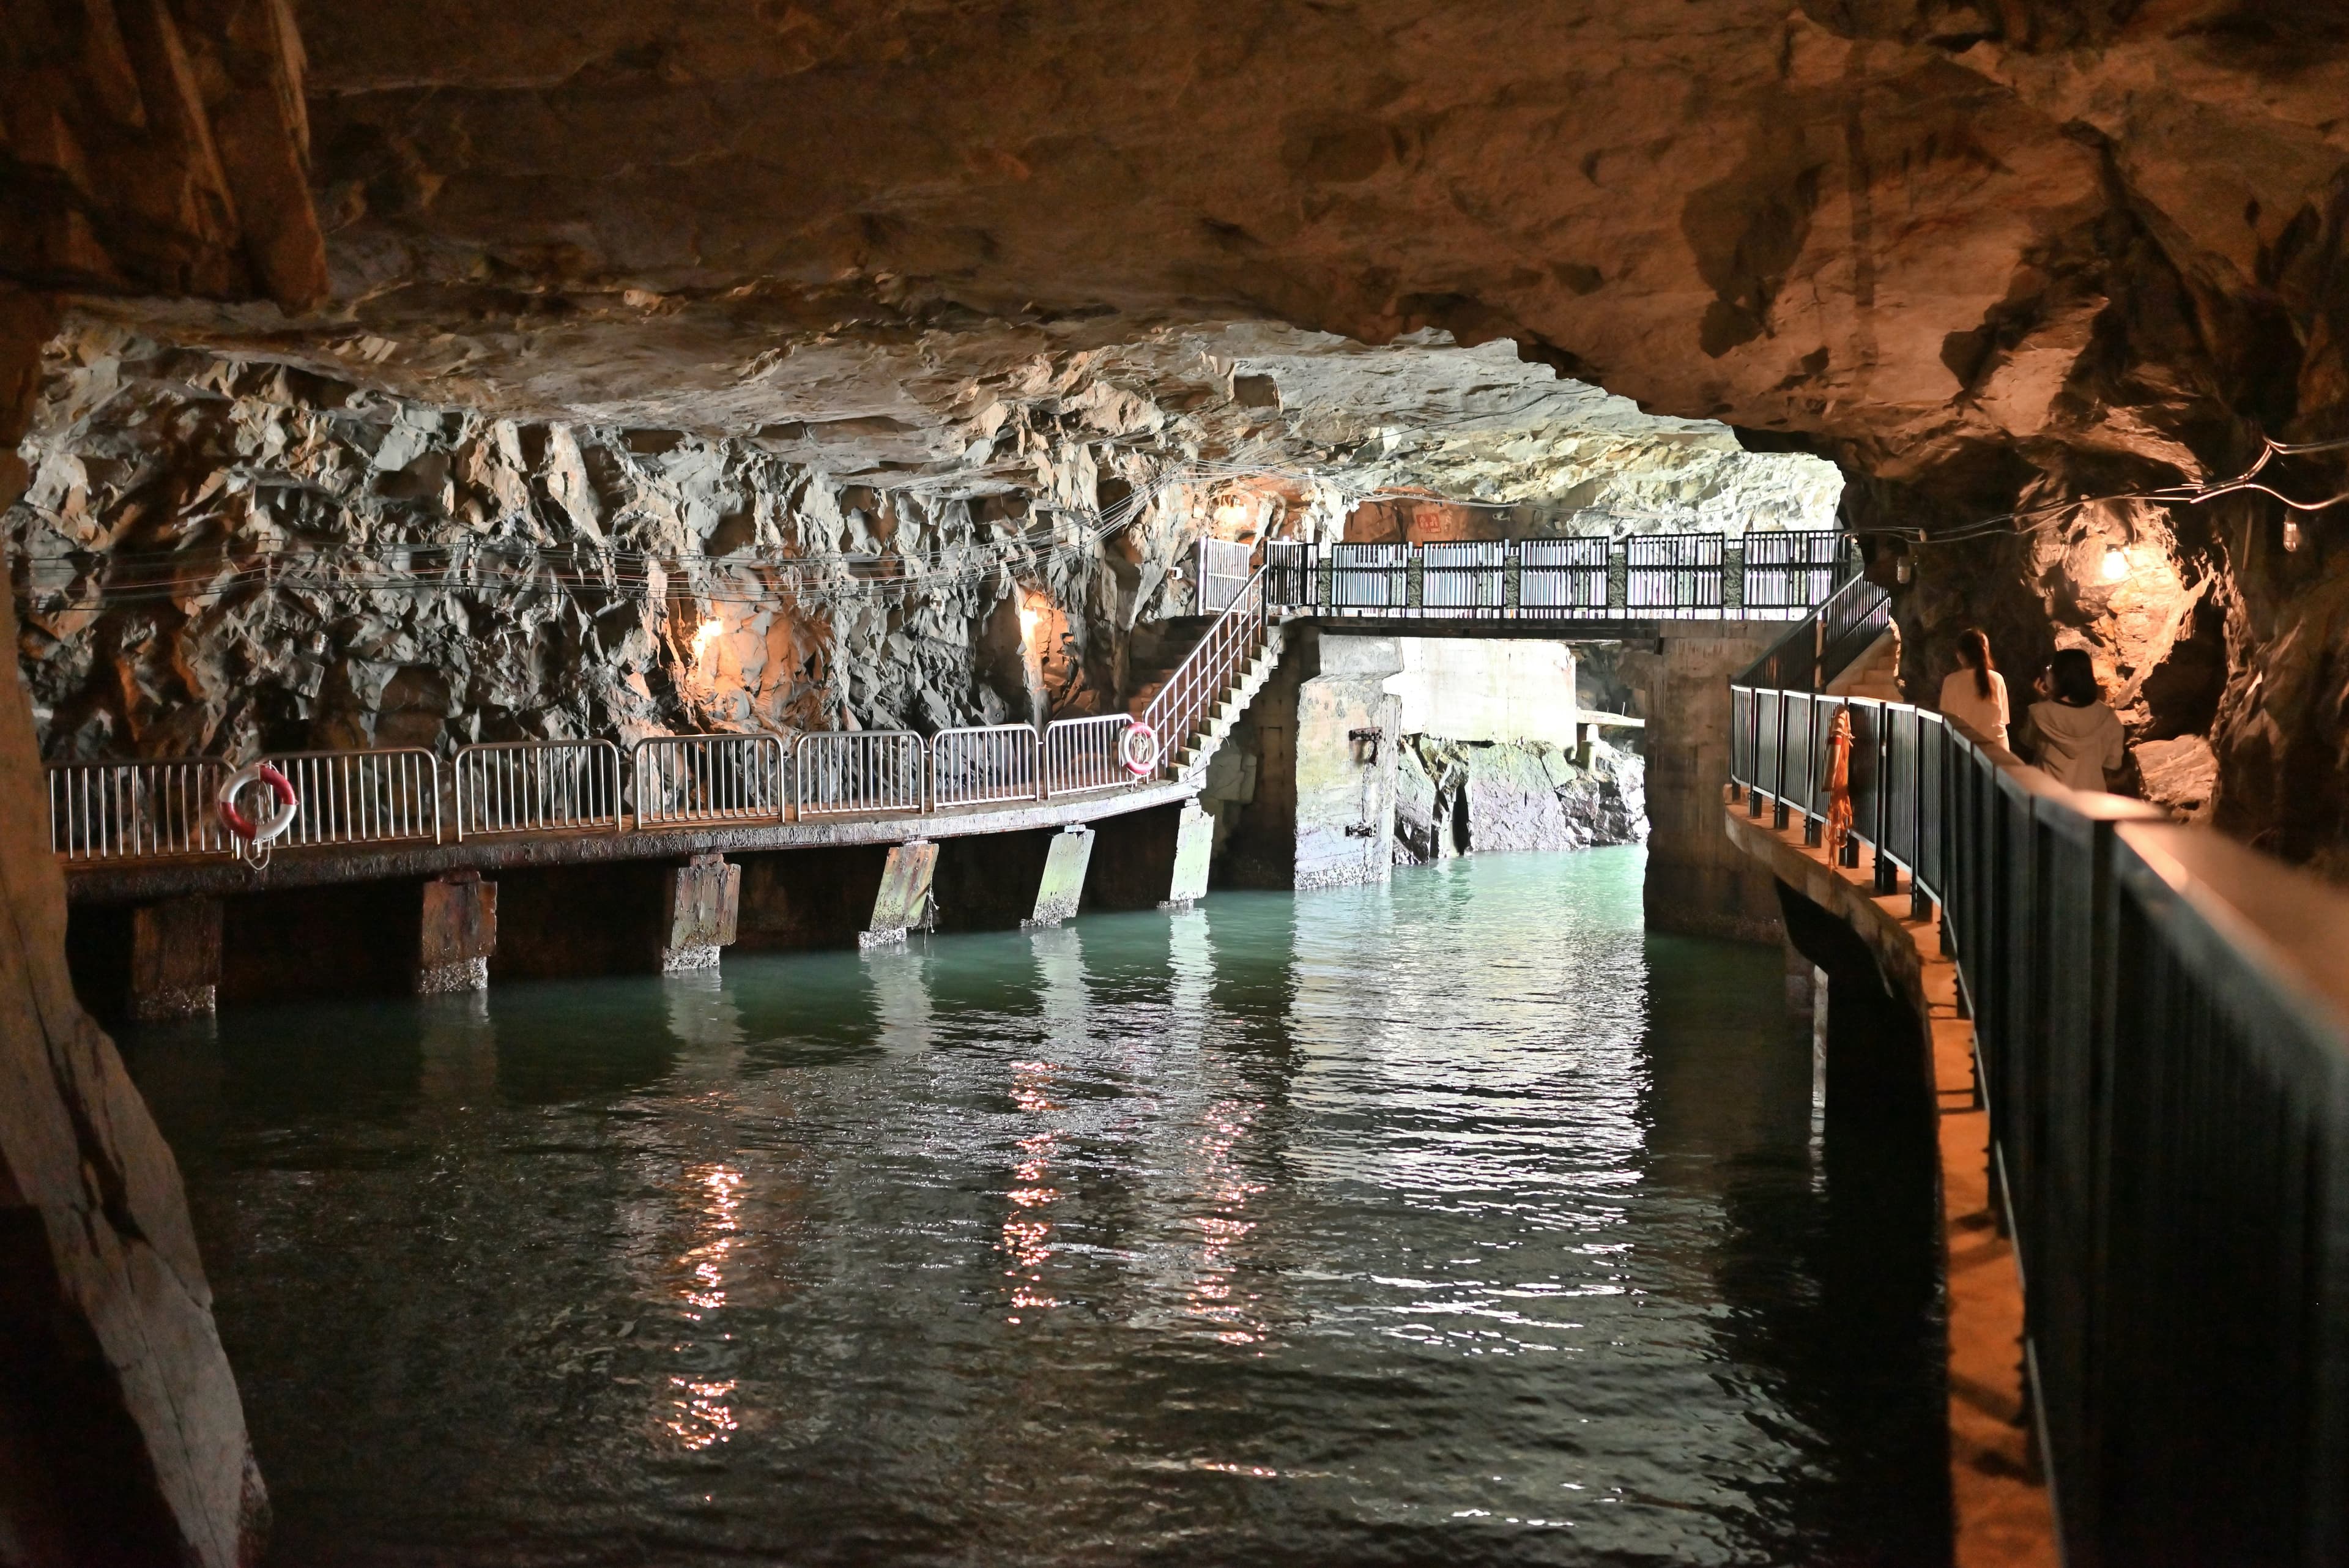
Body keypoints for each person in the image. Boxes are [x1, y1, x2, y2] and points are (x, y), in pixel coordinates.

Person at [2030, 647, 2126, 792]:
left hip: (2049, 799)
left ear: (2059, 676)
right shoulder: (2107, 717)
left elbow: (2029, 742)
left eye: (2050, 668)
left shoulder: (2038, 713)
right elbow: (2113, 763)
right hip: (2090, 800)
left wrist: (2042, 701)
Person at [1937, 628, 2009, 749]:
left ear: (1960, 655)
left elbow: (1947, 721)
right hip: (1999, 750)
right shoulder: (1998, 679)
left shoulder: (1952, 681)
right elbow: (2004, 720)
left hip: (1968, 749)